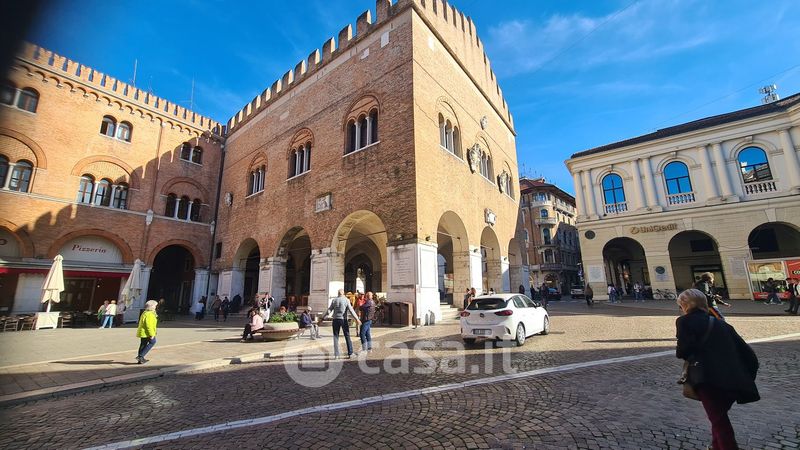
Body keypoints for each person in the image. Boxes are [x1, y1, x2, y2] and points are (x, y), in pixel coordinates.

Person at [675, 288, 759, 450]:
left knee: (720, 422)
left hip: (708, 379)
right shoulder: (722, 324)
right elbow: (749, 355)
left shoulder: (684, 321)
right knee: (718, 418)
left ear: (685, 305)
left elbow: (682, 351)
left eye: (680, 306)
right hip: (734, 379)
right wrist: (746, 377)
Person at [325, 288, 362, 358]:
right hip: (343, 319)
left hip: (335, 319)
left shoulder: (334, 300)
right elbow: (351, 310)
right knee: (347, 336)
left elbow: (329, 310)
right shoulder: (346, 300)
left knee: (335, 336)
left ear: (338, 293)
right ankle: (350, 353)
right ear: (343, 293)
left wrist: (323, 317)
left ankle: (336, 355)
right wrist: (357, 319)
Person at [136, 300, 159, 364]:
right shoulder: (149, 314)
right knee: (152, 342)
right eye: (155, 305)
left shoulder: (146, 312)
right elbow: (149, 325)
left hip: (143, 332)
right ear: (152, 306)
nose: (156, 307)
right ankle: (140, 356)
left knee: (143, 344)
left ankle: (140, 359)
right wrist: (152, 334)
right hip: (147, 332)